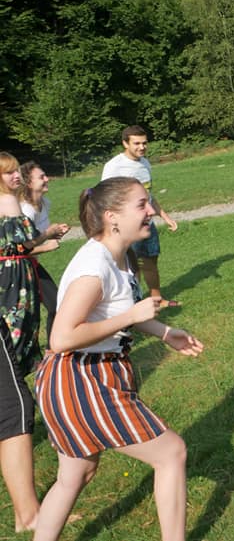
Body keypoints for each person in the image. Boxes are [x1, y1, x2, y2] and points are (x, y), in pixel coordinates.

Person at [32, 177, 203, 541]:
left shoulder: (119, 255)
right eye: (142, 205)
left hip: (89, 375)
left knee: (76, 474)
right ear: (112, 216)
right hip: (79, 379)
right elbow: (61, 338)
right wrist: (130, 316)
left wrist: (164, 332)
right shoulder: (94, 267)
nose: (151, 210)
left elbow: (116, 311)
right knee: (171, 453)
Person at [0, 153, 72, 533]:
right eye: (8, 172)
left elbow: (19, 245)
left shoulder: (10, 202)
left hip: (11, 305)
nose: (16, 176)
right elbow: (18, 246)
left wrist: (42, 238)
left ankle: (25, 513)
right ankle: (28, 516)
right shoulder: (6, 203)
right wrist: (42, 241)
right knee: (15, 405)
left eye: (17, 171)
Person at [102, 125, 178, 300]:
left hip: (148, 224)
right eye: (136, 143)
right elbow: (104, 198)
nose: (142, 147)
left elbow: (148, 196)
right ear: (125, 143)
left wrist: (165, 216)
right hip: (127, 226)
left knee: (151, 262)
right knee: (130, 267)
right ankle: (132, 302)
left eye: (144, 143)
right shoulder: (114, 166)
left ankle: (157, 299)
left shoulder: (145, 163)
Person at [17, 161, 70, 340]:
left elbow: (37, 236)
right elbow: (17, 250)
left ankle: (51, 348)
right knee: (23, 316)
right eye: (41, 177)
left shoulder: (44, 203)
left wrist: (55, 232)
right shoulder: (25, 211)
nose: (47, 179)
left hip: (31, 264)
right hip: (17, 269)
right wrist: (47, 246)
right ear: (29, 183)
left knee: (55, 305)